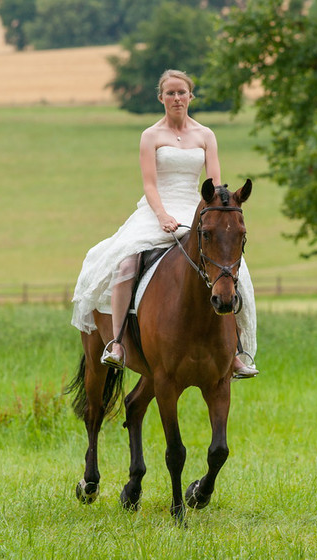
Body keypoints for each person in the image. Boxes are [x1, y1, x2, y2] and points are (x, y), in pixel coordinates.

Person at [70, 69, 258, 378]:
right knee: (126, 263)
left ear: (190, 97)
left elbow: (215, 185)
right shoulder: (151, 136)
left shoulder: (206, 135)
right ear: (161, 98)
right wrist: (162, 216)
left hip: (197, 209)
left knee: (235, 270)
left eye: (181, 92)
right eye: (170, 93)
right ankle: (117, 343)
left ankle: (238, 351)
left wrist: (213, 213)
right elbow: (150, 185)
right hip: (158, 209)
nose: (176, 98)